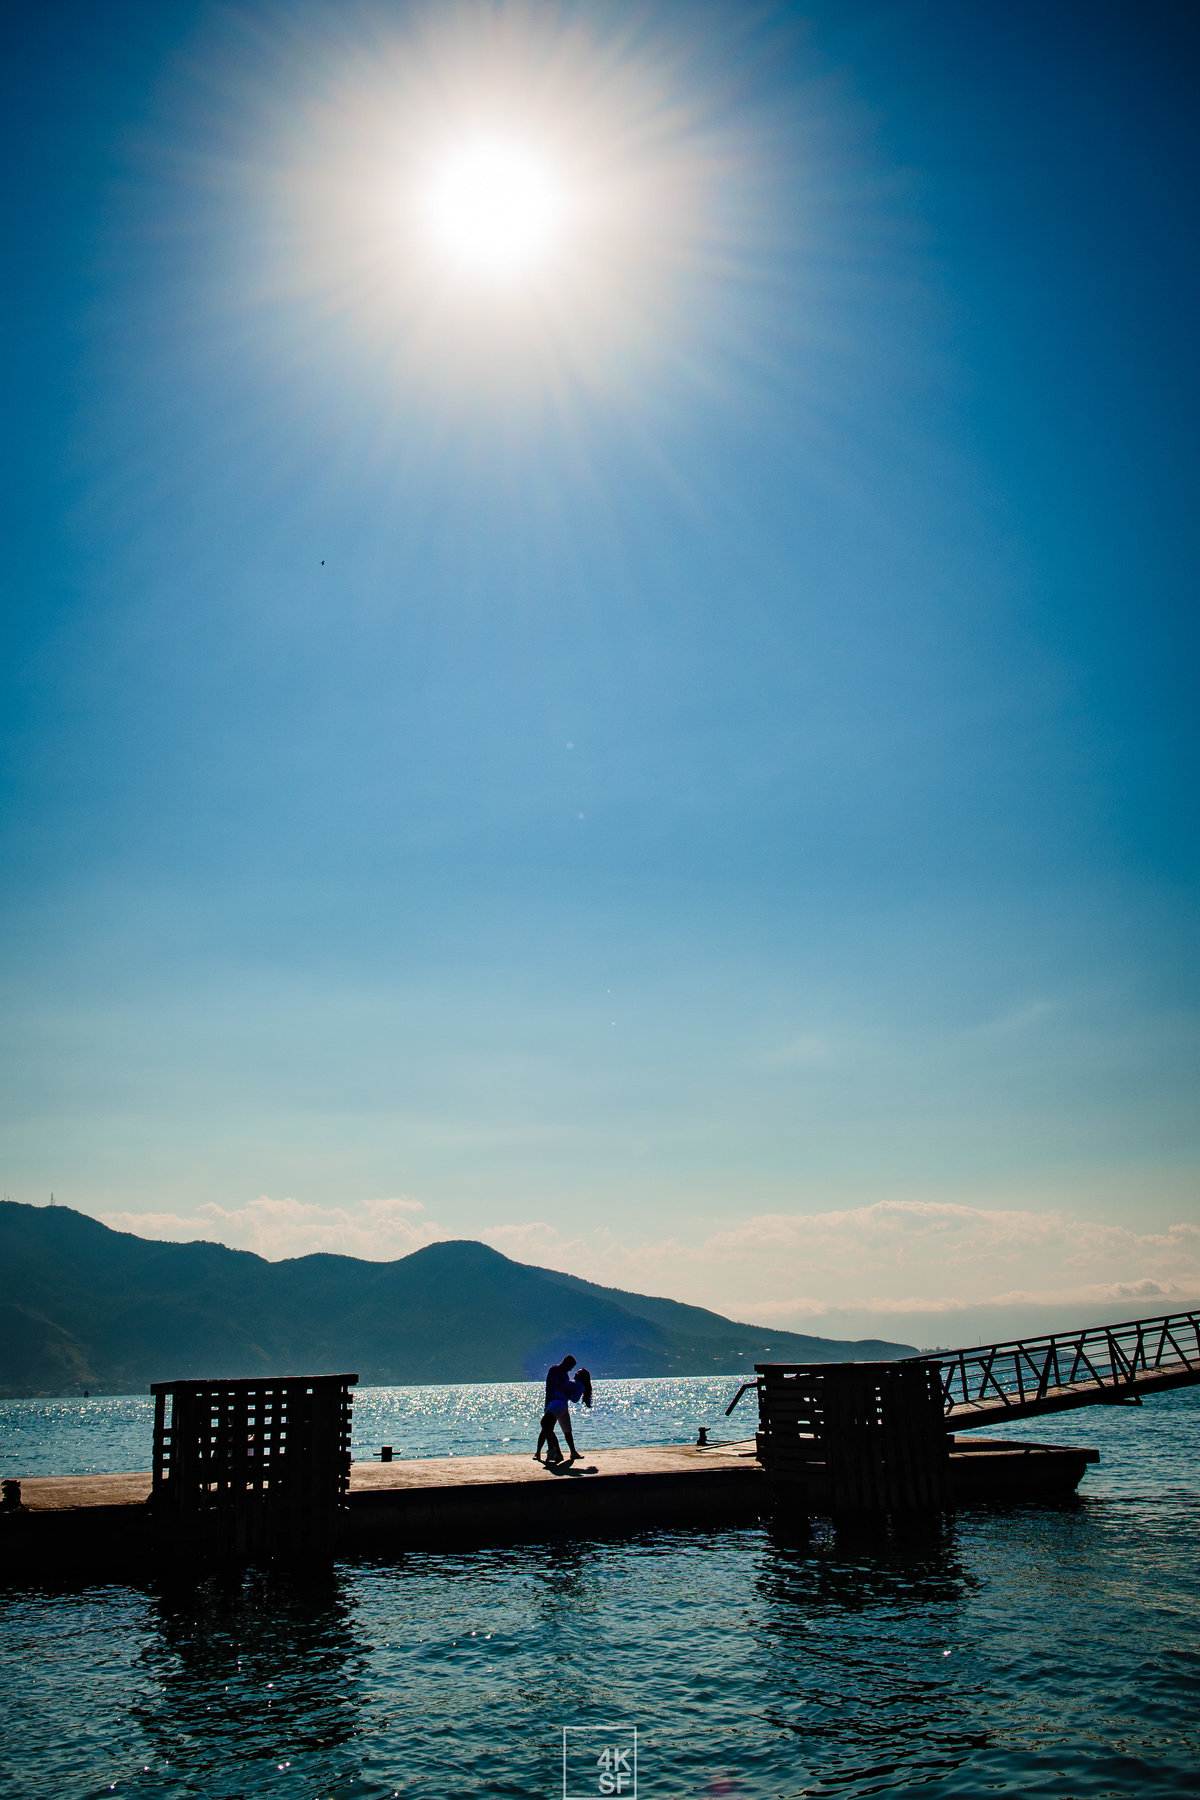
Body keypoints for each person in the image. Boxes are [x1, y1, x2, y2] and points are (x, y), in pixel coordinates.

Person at [534, 1355, 591, 1464]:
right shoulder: (555, 1371)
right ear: (566, 1363)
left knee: (546, 1426)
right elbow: (555, 1385)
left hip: (558, 1403)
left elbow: (563, 1388)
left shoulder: (566, 1377)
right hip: (556, 1403)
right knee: (557, 1428)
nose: (571, 1370)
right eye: (570, 1367)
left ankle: (554, 1451)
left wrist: (566, 1391)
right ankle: (564, 1451)